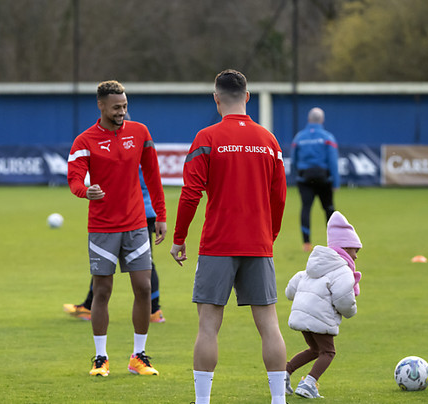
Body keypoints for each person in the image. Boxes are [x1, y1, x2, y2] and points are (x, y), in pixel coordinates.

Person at [170, 69, 288, 404]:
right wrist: (269, 235)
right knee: (269, 325)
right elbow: (279, 197)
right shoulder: (269, 141)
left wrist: (179, 238)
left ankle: (202, 401)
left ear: (216, 98)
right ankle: (278, 400)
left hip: (218, 244)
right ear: (247, 97)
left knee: (208, 325)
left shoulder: (206, 138)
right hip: (258, 243)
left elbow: (190, 193)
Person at [67, 80, 167, 377]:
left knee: (144, 288)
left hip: (136, 224)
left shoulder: (140, 133)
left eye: (124, 106)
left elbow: (153, 175)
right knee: (102, 291)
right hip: (103, 228)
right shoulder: (84, 140)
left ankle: (139, 356)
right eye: (116, 107)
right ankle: (100, 357)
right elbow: (74, 179)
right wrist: (86, 191)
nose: (122, 111)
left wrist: (160, 215)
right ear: (101, 106)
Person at [63, 168, 165, 323]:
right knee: (140, 262)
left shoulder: (130, 156)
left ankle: (152, 310)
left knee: (108, 262)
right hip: (145, 211)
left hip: (130, 213)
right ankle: (153, 310)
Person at [284, 211, 361, 399]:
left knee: (315, 350)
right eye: (355, 251)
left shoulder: (315, 265)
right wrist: (351, 311)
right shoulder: (342, 270)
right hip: (319, 317)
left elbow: (291, 288)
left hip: (302, 315)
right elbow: (344, 298)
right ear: (345, 248)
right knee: (328, 352)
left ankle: (284, 373)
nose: (356, 257)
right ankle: (309, 383)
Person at [291, 107, 340, 252]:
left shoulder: (299, 137)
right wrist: (336, 182)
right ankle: (334, 243)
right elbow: (333, 161)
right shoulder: (327, 137)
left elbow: (293, 160)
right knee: (329, 209)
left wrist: (298, 173)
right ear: (322, 120)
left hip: (304, 178)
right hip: (324, 178)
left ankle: (306, 243)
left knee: (306, 208)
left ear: (308, 119)